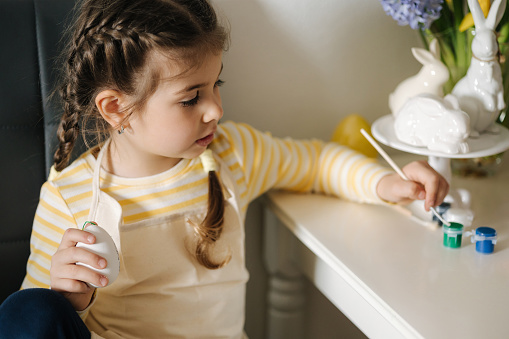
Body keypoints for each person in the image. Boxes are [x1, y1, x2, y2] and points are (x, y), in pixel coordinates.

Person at [0, 0, 449, 338]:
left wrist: (386, 182)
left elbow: (314, 162)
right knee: (28, 312)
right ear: (118, 109)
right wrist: (70, 299)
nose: (215, 109)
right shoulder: (68, 196)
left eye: (217, 85)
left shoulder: (233, 155)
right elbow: (36, 319)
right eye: (191, 97)